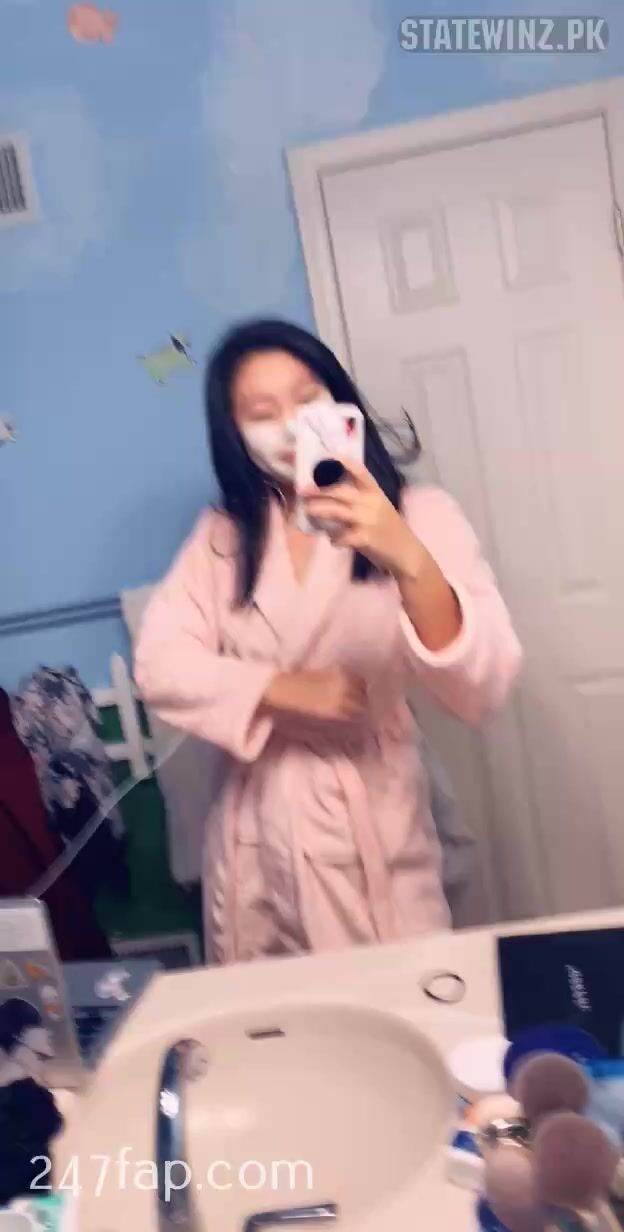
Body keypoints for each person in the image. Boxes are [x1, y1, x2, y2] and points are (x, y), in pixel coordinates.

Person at [135, 319, 522, 963]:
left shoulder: (421, 515)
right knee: (275, 1013)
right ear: (234, 434)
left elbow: (481, 688)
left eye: (307, 399)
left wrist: (410, 560)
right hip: (256, 836)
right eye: (262, 414)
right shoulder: (223, 535)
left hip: (374, 822)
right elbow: (158, 664)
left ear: (341, 404)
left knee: (398, 996)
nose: (290, 427)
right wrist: (279, 689)